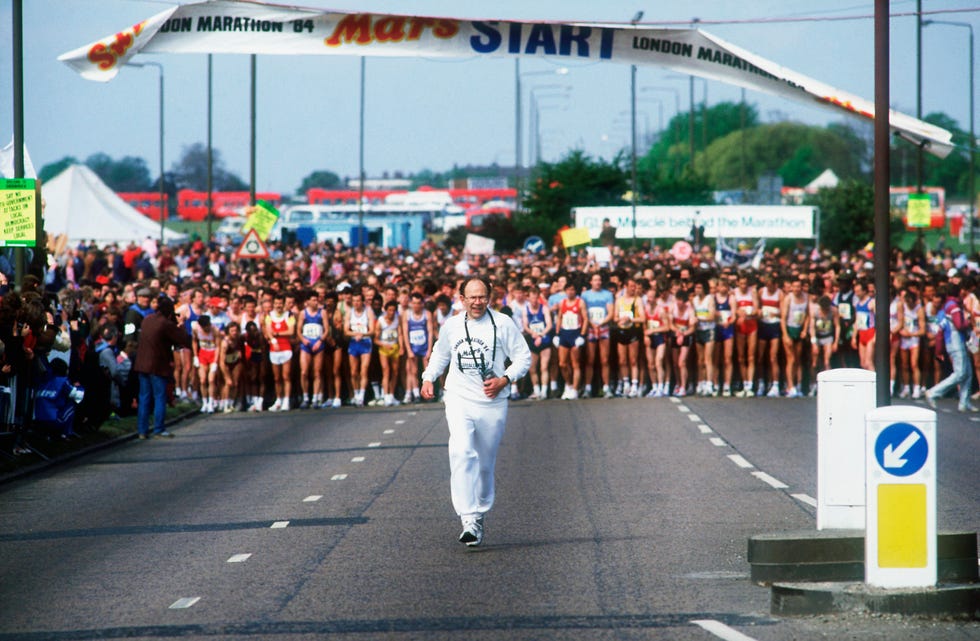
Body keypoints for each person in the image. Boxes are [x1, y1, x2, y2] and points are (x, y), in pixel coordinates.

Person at [420, 277, 531, 548]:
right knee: (461, 451)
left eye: (482, 296)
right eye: (472, 297)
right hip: (458, 397)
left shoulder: (503, 323)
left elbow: (523, 358)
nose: (477, 302)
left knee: (484, 464)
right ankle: (467, 517)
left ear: (489, 297)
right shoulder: (452, 325)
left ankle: (479, 512)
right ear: (462, 298)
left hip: (492, 401)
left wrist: (504, 379)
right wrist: (428, 377)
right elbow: (440, 354)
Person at [134, 295, 191, 439]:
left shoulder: (147, 320)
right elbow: (183, 339)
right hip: (157, 366)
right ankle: (158, 429)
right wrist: (181, 325)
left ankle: (142, 430)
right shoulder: (165, 324)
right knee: (160, 397)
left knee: (144, 397)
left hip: (142, 364)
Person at [926, 283, 977, 412]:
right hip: (956, 342)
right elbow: (959, 325)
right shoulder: (953, 306)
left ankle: (964, 402)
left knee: (968, 373)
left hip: (953, 342)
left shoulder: (945, 308)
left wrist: (939, 349)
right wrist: (968, 322)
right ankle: (934, 392)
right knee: (960, 373)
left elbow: (940, 331)